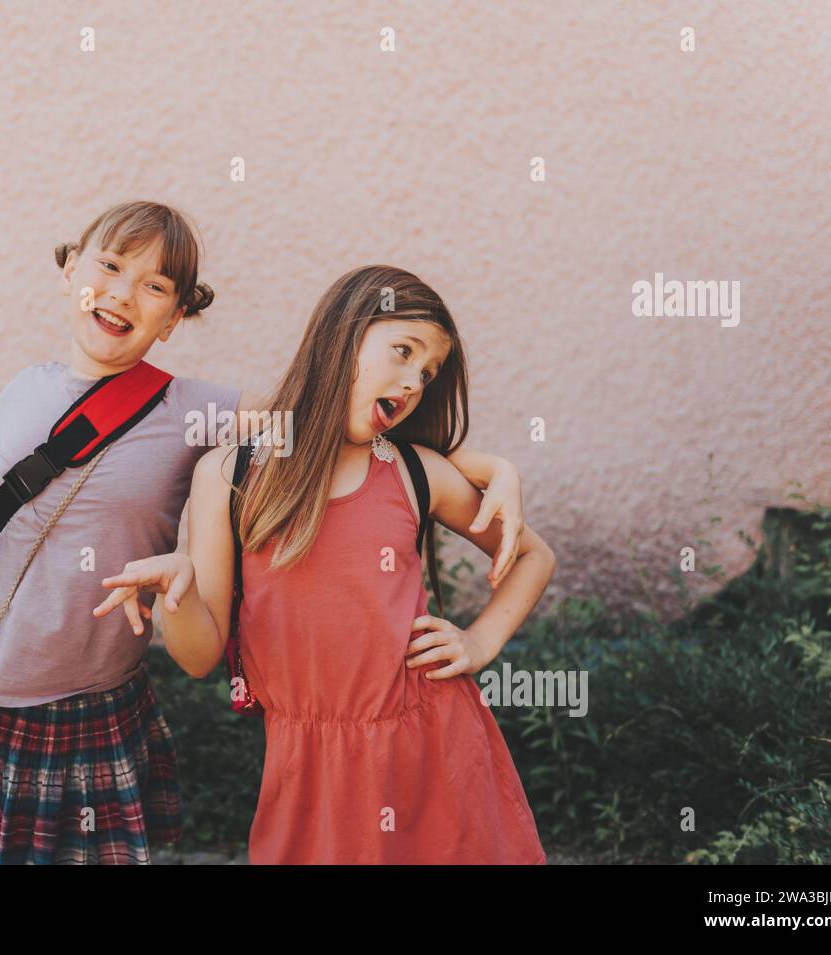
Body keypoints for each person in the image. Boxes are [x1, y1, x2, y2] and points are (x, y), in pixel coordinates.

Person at [0, 203, 528, 863]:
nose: (125, 292)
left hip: (92, 698)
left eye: (156, 286)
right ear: (71, 272)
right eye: (111, 267)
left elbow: (320, 410)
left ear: (176, 318)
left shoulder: (191, 409)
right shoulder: (23, 389)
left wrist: (476, 460)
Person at [97, 264, 553, 864]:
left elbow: (531, 554)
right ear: (343, 334)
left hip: (435, 751)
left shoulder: (414, 472)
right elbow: (199, 656)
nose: (414, 381)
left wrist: (481, 641)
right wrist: (176, 598)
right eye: (403, 351)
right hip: (307, 771)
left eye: (428, 371)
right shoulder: (231, 475)